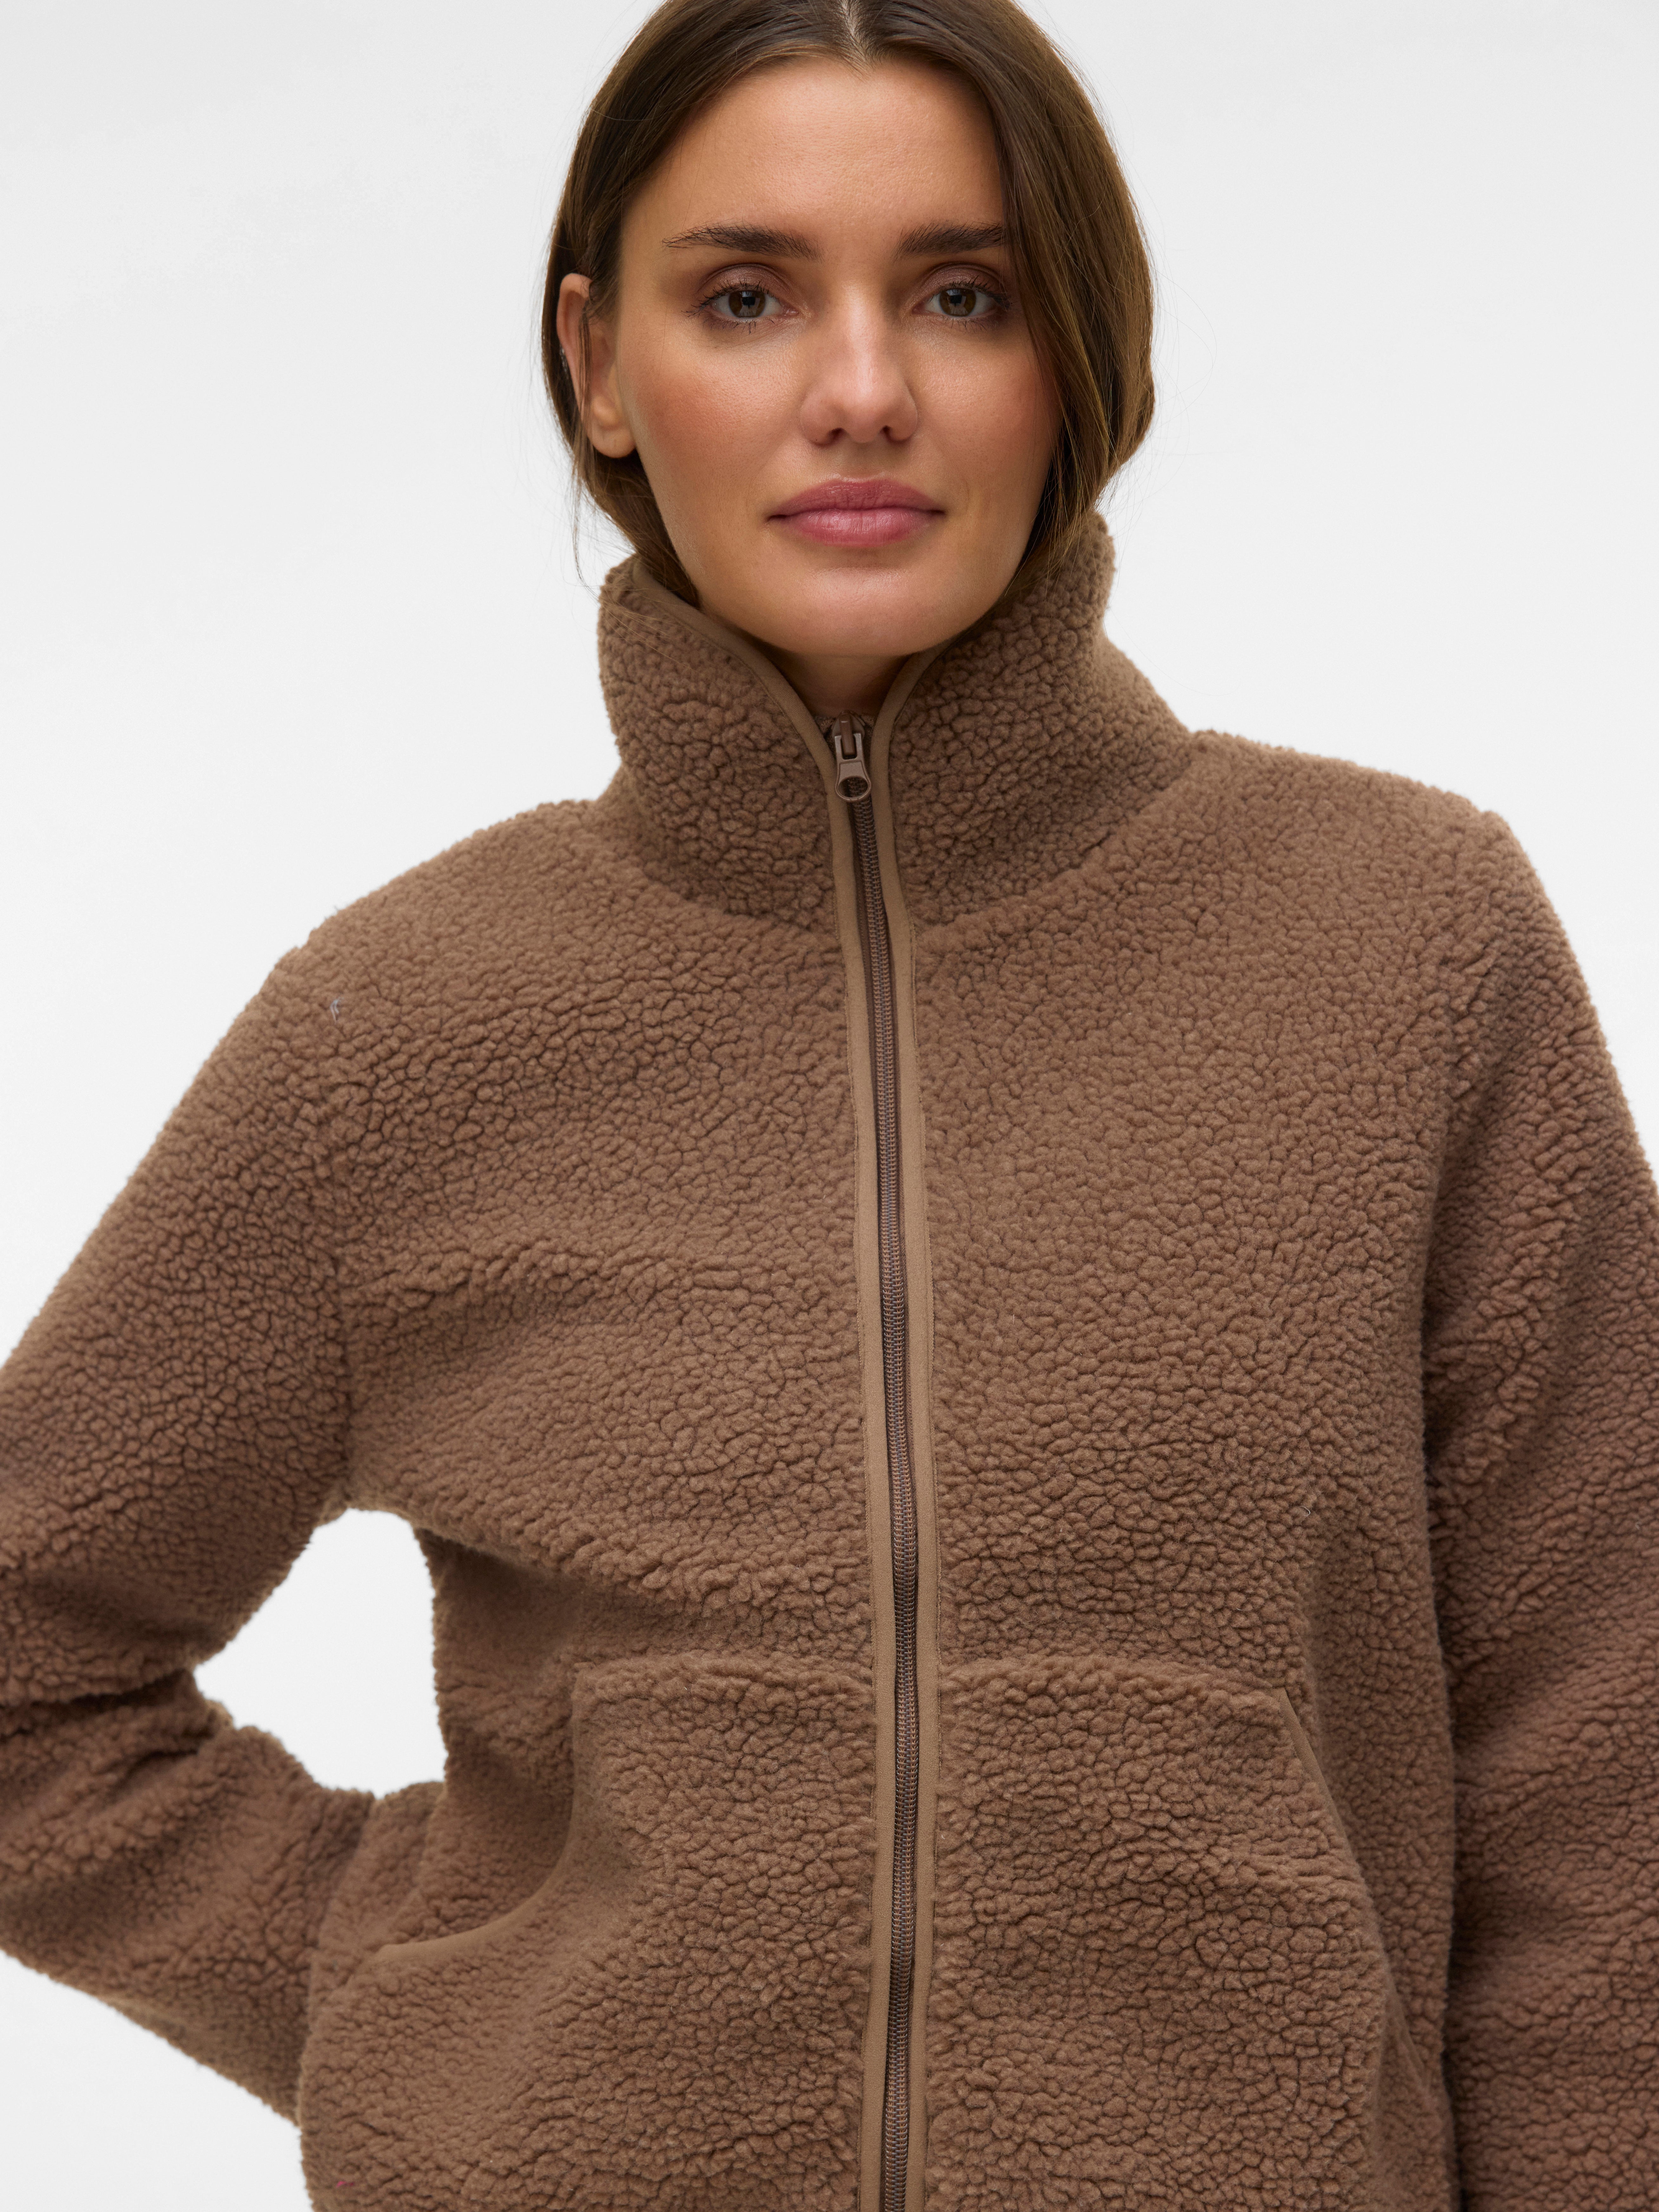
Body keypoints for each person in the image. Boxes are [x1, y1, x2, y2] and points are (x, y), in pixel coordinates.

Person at [1, 0, 1654, 2204]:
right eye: (747, 297)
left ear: (1079, 356)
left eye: (961, 295)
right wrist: (423, 2008)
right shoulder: (398, 1033)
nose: (861, 387)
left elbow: (1602, 1775)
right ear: (600, 363)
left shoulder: (1409, 946)